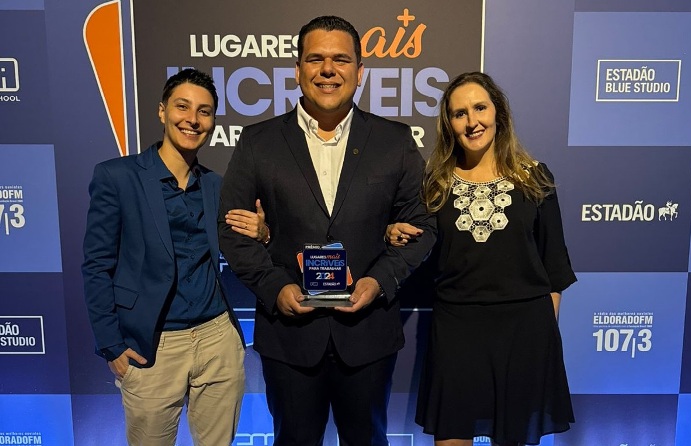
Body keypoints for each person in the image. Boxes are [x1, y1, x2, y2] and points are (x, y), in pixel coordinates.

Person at [217, 15, 436, 446]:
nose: (328, 70)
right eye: (316, 59)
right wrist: (274, 286)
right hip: (290, 336)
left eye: (341, 59)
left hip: (368, 333)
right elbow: (233, 231)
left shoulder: (395, 141)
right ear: (297, 70)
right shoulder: (257, 142)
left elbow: (423, 226)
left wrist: (379, 280)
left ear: (360, 71)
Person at [385, 72, 576, 446]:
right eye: (460, 113)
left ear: (498, 112)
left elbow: (554, 268)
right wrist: (392, 232)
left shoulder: (534, 178)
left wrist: (541, 339)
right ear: (449, 124)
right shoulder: (434, 185)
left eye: (480, 108)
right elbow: (412, 241)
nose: (472, 121)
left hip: (525, 333)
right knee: (452, 437)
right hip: (457, 331)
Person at [82, 68, 259, 445]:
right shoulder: (117, 177)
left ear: (212, 122)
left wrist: (263, 232)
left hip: (217, 339)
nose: (192, 119)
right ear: (162, 111)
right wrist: (112, 345)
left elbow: (241, 243)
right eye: (182, 106)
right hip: (153, 345)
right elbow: (96, 266)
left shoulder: (215, 185)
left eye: (204, 111)